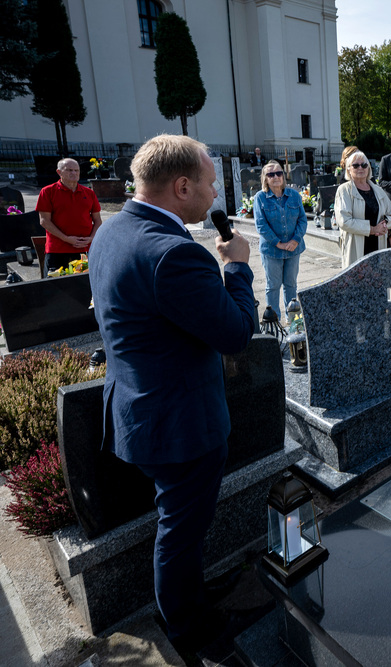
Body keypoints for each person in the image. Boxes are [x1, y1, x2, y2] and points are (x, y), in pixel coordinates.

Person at [88, 135, 256, 653]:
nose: (213, 194)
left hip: (137, 407)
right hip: (180, 423)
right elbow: (235, 333)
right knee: (179, 532)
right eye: (208, 183)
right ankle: (190, 629)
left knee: (180, 526)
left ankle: (190, 597)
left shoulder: (111, 232)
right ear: (182, 186)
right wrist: (236, 267)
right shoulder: (174, 254)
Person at [253, 160, 306, 320]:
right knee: (273, 286)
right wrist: (279, 243)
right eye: (271, 174)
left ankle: (294, 321)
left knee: (291, 285)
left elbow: (302, 220)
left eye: (278, 173)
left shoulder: (294, 196)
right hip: (272, 250)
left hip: (293, 249)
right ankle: (273, 323)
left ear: (283, 176)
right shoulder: (260, 198)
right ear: (265, 179)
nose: (275, 176)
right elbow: (261, 225)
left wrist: (295, 240)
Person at [35, 158, 102, 274]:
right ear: (59, 172)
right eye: (69, 170)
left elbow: (97, 220)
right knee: (56, 287)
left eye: (76, 170)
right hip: (58, 249)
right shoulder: (48, 192)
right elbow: (44, 221)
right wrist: (66, 238)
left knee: (86, 286)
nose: (74, 173)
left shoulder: (89, 193)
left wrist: (92, 238)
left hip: (85, 247)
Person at [335, 150, 391, 268]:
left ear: (368, 168)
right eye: (356, 165)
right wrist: (372, 229)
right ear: (348, 169)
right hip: (356, 245)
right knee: (357, 282)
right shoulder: (344, 190)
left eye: (364, 165)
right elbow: (344, 221)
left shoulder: (378, 190)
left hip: (378, 245)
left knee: (377, 281)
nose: (361, 168)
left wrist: (384, 224)